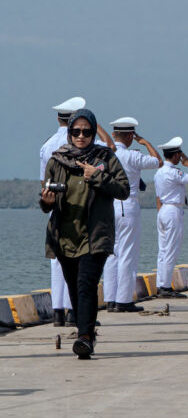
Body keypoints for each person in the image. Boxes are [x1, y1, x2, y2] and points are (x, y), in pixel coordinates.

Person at [40, 108, 130, 359]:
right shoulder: (57, 160)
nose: (81, 137)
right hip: (65, 235)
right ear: (69, 133)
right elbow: (46, 198)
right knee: (74, 287)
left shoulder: (105, 157)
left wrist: (98, 176)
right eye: (76, 132)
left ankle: (85, 337)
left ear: (93, 132)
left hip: (95, 235)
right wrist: (46, 201)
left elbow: (123, 190)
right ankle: (85, 331)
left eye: (87, 132)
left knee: (86, 285)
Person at [103, 117, 161, 312]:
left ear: (113, 134)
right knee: (128, 254)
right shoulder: (131, 155)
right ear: (130, 136)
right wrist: (144, 142)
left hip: (109, 205)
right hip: (128, 205)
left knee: (111, 254)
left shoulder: (105, 154)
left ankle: (110, 299)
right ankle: (124, 300)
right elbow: (157, 161)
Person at [40, 97, 89, 327]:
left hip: (54, 206)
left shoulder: (47, 144)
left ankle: (58, 311)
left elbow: (44, 182)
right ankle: (73, 312)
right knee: (76, 262)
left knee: (57, 262)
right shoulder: (78, 143)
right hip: (75, 208)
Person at [154, 137, 188, 298]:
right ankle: (166, 287)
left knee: (163, 249)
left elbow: (158, 197)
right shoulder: (175, 172)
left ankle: (161, 284)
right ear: (176, 156)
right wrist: (187, 163)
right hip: (173, 210)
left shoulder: (159, 172)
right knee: (171, 250)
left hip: (162, 210)